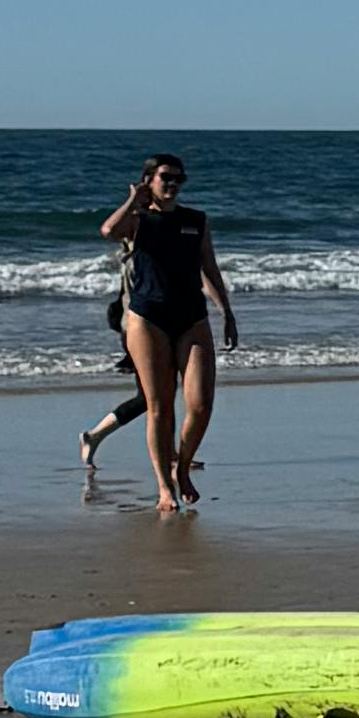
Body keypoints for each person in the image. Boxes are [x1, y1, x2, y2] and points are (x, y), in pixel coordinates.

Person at [99, 152, 239, 518]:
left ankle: (183, 467)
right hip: (148, 319)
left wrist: (227, 313)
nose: (173, 183)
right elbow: (108, 231)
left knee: (201, 405)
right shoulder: (137, 220)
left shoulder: (196, 220)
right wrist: (133, 199)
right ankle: (164, 487)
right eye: (166, 177)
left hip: (192, 317)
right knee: (159, 406)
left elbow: (209, 268)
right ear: (150, 180)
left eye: (179, 178)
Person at [76, 267, 150, 495]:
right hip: (142, 330)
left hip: (140, 329)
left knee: (155, 396)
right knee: (149, 397)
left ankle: (171, 453)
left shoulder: (136, 256)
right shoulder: (138, 257)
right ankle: (95, 435)